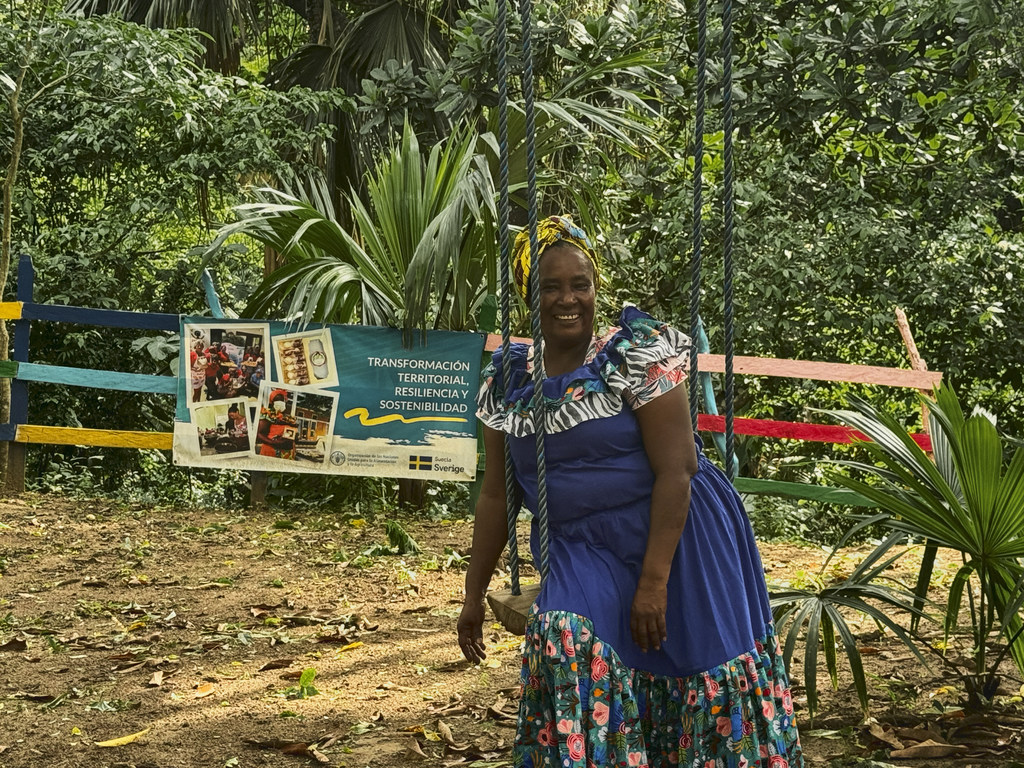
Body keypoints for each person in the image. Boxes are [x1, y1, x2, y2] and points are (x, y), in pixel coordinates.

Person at [457, 216, 803, 768]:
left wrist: (653, 583)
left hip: (676, 532)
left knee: (702, 675)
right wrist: (474, 593)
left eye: (581, 284)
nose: (568, 299)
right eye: (551, 286)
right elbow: (496, 496)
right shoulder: (508, 379)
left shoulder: (635, 355)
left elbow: (678, 468)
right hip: (580, 544)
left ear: (596, 289)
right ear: (530, 296)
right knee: (563, 637)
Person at [255, 389, 297, 459]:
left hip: (286, 454)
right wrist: (274, 443)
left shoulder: (287, 418)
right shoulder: (267, 414)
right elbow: (259, 434)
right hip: (271, 451)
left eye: (282, 401)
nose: (280, 403)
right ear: (272, 402)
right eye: (277, 400)